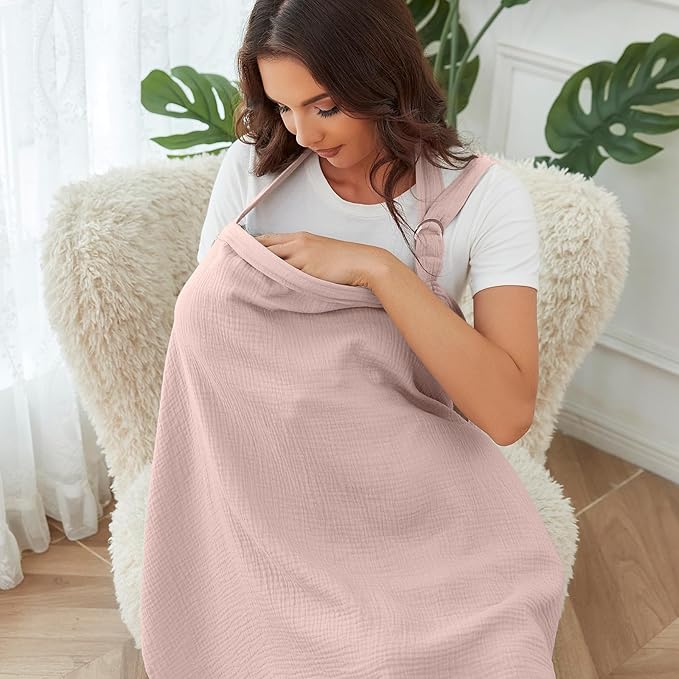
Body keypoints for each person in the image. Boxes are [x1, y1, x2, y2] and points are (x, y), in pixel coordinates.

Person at [139, 1, 563, 677]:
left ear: (383, 79)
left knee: (479, 645)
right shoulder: (252, 173)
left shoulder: (482, 199)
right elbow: (215, 341)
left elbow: (508, 412)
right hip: (260, 482)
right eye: (283, 108)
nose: (303, 132)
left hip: (409, 488)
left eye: (326, 106)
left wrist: (379, 271)